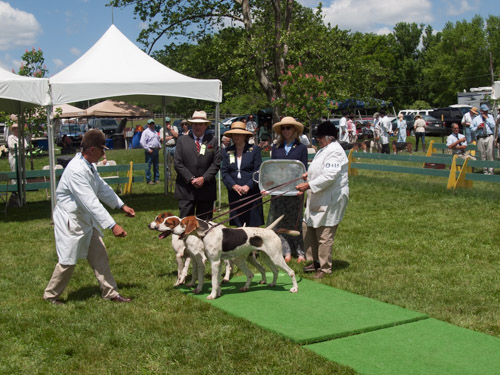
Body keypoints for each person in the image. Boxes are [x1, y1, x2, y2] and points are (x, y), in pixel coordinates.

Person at [43, 129, 135, 304]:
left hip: (86, 219)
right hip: (71, 221)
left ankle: (111, 293)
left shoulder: (89, 165)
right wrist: (112, 225)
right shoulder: (76, 170)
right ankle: (51, 295)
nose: (103, 153)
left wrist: (121, 205)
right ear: (92, 149)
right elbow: (90, 202)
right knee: (67, 262)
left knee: (100, 255)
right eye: (102, 149)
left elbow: (101, 187)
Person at [296, 120, 349, 279]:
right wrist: (309, 174)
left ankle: (325, 268)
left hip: (330, 197)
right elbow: (321, 168)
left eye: (320, 137)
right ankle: (315, 261)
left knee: (325, 233)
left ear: (330, 137)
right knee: (308, 227)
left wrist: (309, 184)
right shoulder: (324, 149)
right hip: (318, 195)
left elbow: (330, 176)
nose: (317, 140)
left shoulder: (335, 151)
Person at [268, 116, 308, 263]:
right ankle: (286, 251)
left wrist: (302, 188)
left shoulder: (302, 148)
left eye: (288, 128)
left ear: (295, 130)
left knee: (295, 220)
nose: (285, 131)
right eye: (283, 128)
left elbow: (303, 169)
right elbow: (272, 169)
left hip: (295, 189)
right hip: (278, 190)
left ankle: (300, 251)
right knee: (280, 221)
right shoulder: (276, 148)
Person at [174, 110, 220, 220]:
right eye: (195, 124)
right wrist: (191, 178)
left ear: (206, 125)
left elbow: (216, 162)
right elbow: (178, 163)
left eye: (201, 124)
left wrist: (203, 178)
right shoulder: (182, 140)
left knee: (204, 225)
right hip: (186, 189)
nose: (198, 126)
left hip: (206, 189)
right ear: (191, 125)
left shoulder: (212, 141)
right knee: (185, 224)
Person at [221, 121, 264, 227]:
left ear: (245, 135)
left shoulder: (254, 150)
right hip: (235, 192)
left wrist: (248, 185)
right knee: (238, 227)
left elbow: (258, 171)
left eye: (239, 134)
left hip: (252, 191)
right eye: (234, 134)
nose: (236, 136)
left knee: (253, 227)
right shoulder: (227, 151)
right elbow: (224, 172)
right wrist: (233, 185)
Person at [471, 104, 495, 175]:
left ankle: (491, 171)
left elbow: (493, 125)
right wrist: (477, 127)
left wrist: (486, 118)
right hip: (480, 137)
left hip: (489, 136)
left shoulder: (490, 117)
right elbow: (472, 129)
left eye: (486, 111)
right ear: (481, 111)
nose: (486, 112)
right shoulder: (476, 119)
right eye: (484, 111)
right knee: (482, 155)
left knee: (490, 154)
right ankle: (485, 171)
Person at [140, 119, 162, 184]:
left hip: (156, 150)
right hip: (149, 150)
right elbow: (142, 142)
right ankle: (148, 179)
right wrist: (148, 149)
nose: (152, 125)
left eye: (153, 123)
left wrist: (159, 146)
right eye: (150, 124)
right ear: (148, 125)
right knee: (148, 165)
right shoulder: (145, 132)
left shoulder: (155, 131)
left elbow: (157, 140)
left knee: (156, 165)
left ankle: (156, 178)